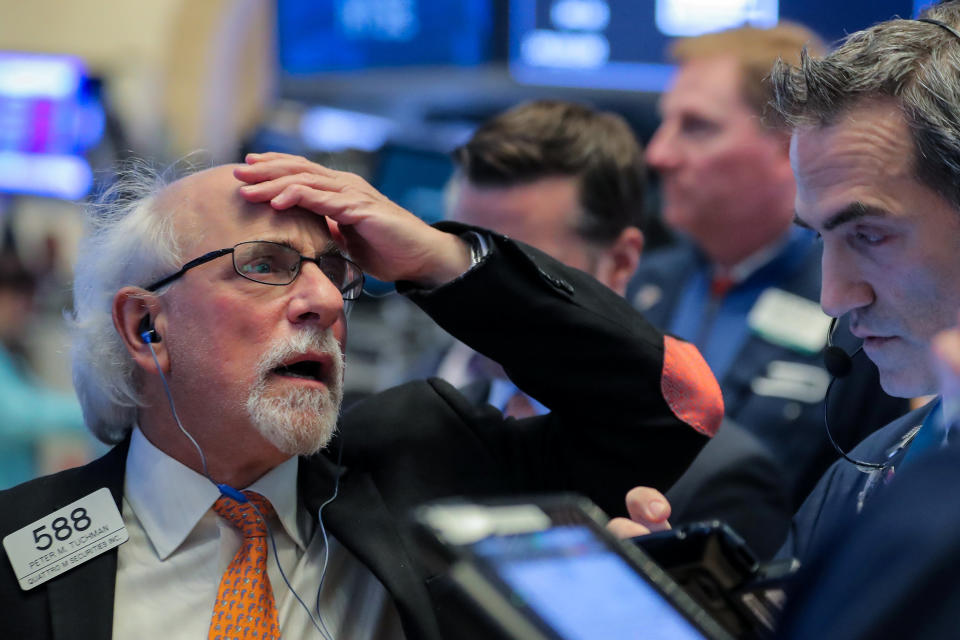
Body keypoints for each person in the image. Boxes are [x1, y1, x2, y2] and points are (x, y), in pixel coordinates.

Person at [0, 152, 722, 639]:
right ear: (146, 326)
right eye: (266, 265)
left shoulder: (427, 462)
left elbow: (675, 405)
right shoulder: (17, 548)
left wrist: (442, 259)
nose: (323, 299)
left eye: (337, 271)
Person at [611, 0, 960, 580]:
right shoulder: (871, 469)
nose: (834, 298)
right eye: (823, 239)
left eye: (869, 235)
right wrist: (693, 605)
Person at [417, 99, 645, 416]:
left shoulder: (702, 460)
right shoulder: (419, 407)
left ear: (620, 264)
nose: (478, 298)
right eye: (465, 257)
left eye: (521, 266)